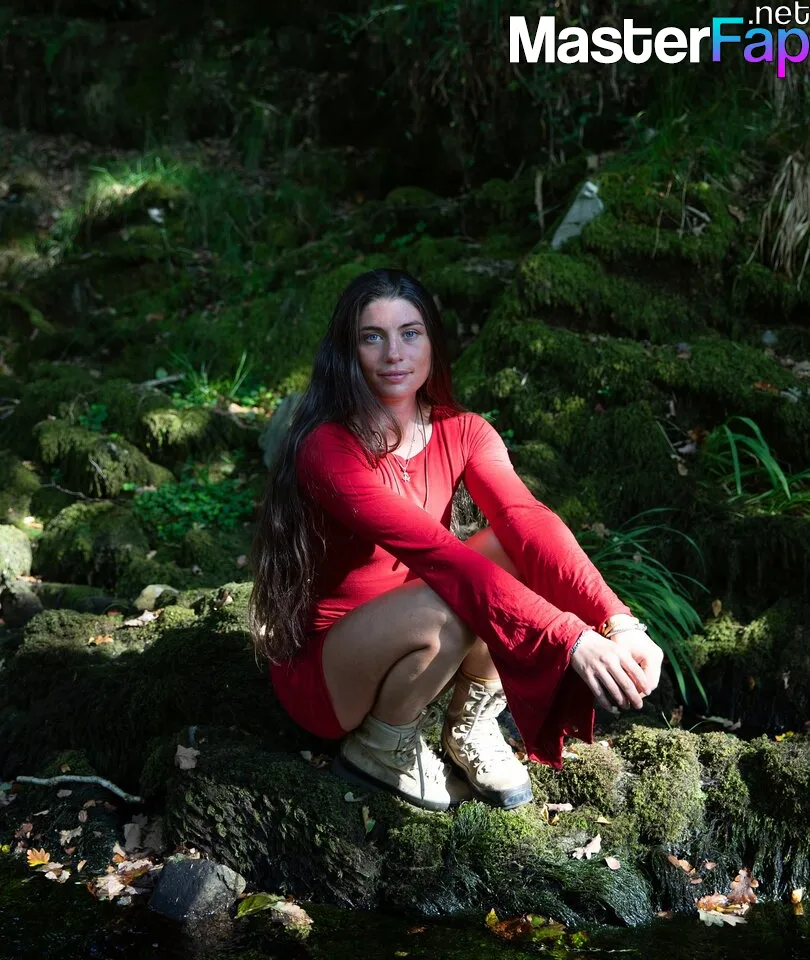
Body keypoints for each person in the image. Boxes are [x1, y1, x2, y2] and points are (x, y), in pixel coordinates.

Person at [249, 268, 664, 812]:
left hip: (421, 628)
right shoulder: (328, 448)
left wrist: (617, 620)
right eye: (372, 336)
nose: (394, 353)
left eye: (410, 333)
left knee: (517, 551)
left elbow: (528, 519)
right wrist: (570, 638)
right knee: (454, 596)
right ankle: (381, 746)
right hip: (332, 670)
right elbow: (439, 556)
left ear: (432, 342)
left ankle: (470, 723)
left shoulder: (464, 430)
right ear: (348, 351)